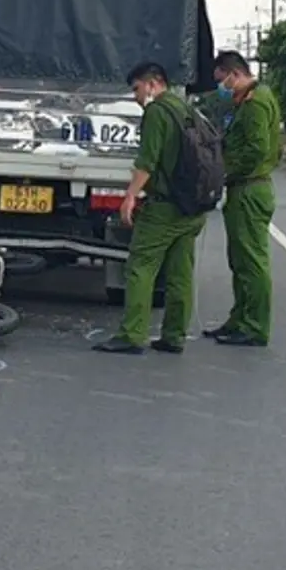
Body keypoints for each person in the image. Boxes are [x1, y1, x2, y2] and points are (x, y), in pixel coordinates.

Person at [93, 61, 208, 355]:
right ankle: (174, 335)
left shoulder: (157, 111)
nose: (136, 97)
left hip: (165, 207)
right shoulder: (186, 109)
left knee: (140, 267)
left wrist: (130, 195)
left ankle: (132, 335)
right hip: (192, 205)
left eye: (137, 89)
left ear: (153, 83)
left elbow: (147, 161)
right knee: (180, 272)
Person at [208, 50, 282, 347]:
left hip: (250, 187)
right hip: (244, 188)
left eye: (221, 81)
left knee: (251, 261)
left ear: (234, 74)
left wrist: (224, 173)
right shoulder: (247, 101)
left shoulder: (256, 103)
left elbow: (256, 149)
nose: (221, 88)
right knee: (238, 260)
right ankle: (239, 318)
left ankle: (255, 325)